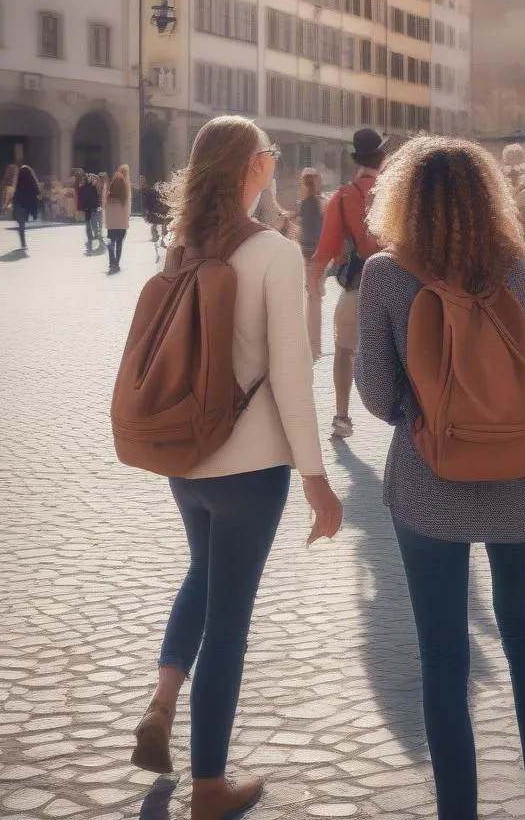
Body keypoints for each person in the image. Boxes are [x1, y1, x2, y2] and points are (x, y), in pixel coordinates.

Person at [130, 116, 342, 820]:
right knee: (229, 620)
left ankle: (162, 701)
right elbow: (290, 374)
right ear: (255, 165)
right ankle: (209, 787)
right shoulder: (272, 254)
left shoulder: (182, 244)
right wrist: (316, 478)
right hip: (250, 470)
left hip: (184, 458)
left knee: (203, 573)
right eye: (271, 155)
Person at [354, 137, 525, 820]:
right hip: (522, 478)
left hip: (429, 483)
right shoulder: (509, 265)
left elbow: (377, 394)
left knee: (444, 657)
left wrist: (427, 408)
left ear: (402, 198)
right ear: (488, 198)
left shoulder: (387, 275)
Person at [311, 129, 386, 439]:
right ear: (383, 158)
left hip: (358, 286)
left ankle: (342, 417)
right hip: (396, 286)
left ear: (357, 159)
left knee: (343, 351)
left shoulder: (344, 196)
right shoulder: (396, 192)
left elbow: (326, 247)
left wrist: (314, 282)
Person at [298, 168, 326, 360]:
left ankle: (313, 346)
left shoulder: (308, 203)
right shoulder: (318, 203)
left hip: (309, 255)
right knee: (315, 299)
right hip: (316, 255)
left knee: (313, 298)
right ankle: (314, 346)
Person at [8, 165, 40, 252]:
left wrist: (7, 204)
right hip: (26, 207)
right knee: (22, 226)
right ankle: (23, 243)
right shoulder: (31, 184)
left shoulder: (19, 183)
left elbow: (14, 195)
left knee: (21, 226)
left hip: (19, 206)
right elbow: (36, 195)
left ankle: (23, 243)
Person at [104, 171, 131, 273]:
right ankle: (116, 264)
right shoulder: (125, 197)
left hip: (111, 225)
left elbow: (105, 209)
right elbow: (127, 211)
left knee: (111, 243)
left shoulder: (108, 196)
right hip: (122, 225)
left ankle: (112, 263)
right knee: (119, 244)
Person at [80, 174, 101, 253]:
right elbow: (83, 198)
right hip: (89, 208)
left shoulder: (90, 187)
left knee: (91, 222)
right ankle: (91, 235)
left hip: (89, 208)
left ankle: (93, 234)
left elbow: (95, 197)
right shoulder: (88, 187)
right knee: (90, 222)